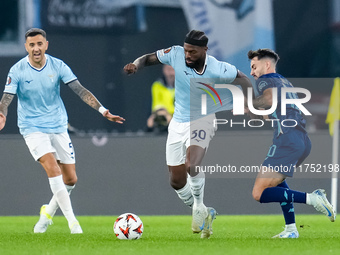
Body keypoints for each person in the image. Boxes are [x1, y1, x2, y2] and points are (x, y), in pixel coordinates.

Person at [124, 30, 253, 239]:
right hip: (177, 122)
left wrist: (249, 100)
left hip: (204, 118)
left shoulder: (217, 68)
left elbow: (242, 78)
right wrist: (135, 65)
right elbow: (148, 58)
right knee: (176, 181)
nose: (187, 55)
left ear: (204, 50)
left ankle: (199, 207)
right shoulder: (175, 54)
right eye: (186, 50)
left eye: (192, 52)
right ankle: (204, 211)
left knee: (192, 163)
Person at [0, 28, 125, 234]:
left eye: (40, 44)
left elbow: (80, 90)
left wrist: (102, 110)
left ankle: (46, 215)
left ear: (46, 45)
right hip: (32, 128)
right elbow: (6, 98)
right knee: (53, 169)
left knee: (70, 180)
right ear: (26, 47)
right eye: (32, 45)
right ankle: (73, 224)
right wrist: (2, 113)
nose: (36, 48)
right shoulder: (17, 70)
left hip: (58, 126)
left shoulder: (58, 65)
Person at [248, 48, 335, 238]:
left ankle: (313, 198)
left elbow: (268, 99)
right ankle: (291, 229)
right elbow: (268, 114)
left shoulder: (266, 80)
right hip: (301, 141)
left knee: (259, 193)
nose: (252, 72)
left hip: (287, 140)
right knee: (279, 183)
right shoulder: (284, 82)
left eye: (254, 67)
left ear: (267, 64)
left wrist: (247, 101)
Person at [146, 65, 175, 133]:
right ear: (164, 70)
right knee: (150, 123)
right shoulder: (157, 85)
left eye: (173, 69)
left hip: (179, 120)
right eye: (168, 69)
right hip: (163, 118)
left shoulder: (185, 85)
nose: (171, 73)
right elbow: (157, 105)